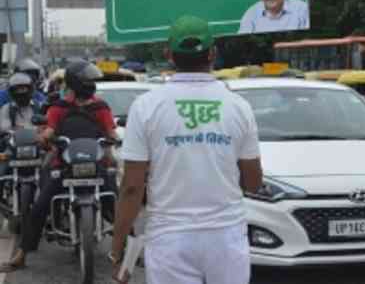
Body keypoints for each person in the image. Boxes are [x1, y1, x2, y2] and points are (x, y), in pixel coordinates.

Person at [111, 15, 263, 284]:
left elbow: (132, 188)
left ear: (168, 54)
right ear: (213, 53)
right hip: (226, 238)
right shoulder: (239, 107)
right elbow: (253, 182)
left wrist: (118, 245)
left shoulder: (146, 106)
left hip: (169, 240)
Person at [0, 59, 118, 273]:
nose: (92, 84)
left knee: (116, 201)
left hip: (95, 162)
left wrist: (114, 140)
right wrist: (44, 138)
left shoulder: (101, 106)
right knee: (39, 206)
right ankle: (22, 253)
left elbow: (110, 131)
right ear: (77, 82)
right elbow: (49, 130)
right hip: (63, 165)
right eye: (88, 80)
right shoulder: (58, 107)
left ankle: (128, 250)